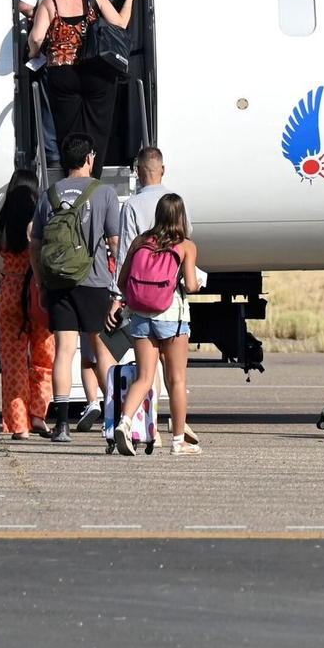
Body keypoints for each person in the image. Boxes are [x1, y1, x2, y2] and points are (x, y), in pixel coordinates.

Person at [30, 132, 124, 443]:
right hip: (94, 281)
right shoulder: (104, 193)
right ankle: (116, 419)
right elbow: (114, 242)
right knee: (100, 349)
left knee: (64, 351)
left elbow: (36, 243)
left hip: (58, 281)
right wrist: (118, 288)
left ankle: (61, 426)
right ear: (89, 159)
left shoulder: (49, 195)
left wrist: (42, 284)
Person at [26, 0, 136, 175]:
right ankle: (93, 174)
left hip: (62, 73)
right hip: (95, 71)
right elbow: (121, 24)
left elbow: (37, 38)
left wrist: (33, 52)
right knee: (98, 125)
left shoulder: (50, 3)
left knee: (68, 128)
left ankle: (73, 174)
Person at [112, 194, 200, 456]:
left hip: (140, 317)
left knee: (144, 377)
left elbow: (121, 281)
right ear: (181, 216)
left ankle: (124, 423)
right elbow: (192, 286)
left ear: (158, 214)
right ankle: (177, 443)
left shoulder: (140, 241)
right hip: (172, 319)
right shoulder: (185, 246)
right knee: (176, 380)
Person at [0, 170, 54, 439]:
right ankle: (38, 415)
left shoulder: (0, 226)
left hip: (9, 292)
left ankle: (19, 426)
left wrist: (6, 279)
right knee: (44, 357)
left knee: (13, 362)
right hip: (35, 293)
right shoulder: (38, 223)